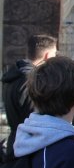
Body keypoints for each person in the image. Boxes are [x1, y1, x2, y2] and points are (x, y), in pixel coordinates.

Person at [2, 33, 57, 161]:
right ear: (47, 56)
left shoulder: (14, 76)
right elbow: (34, 117)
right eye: (55, 55)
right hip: (27, 149)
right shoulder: (30, 80)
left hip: (17, 143)